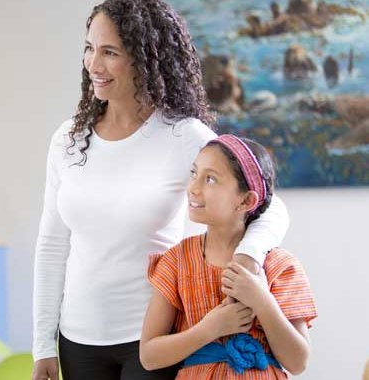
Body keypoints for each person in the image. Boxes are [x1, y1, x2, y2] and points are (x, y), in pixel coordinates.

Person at [31, 1, 290, 379]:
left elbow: (269, 205)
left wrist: (249, 255)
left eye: (109, 52)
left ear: (144, 58)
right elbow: (52, 243)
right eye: (89, 48)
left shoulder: (183, 136)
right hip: (77, 340)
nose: (93, 65)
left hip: (156, 336)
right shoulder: (68, 140)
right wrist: (42, 345)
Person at [140, 135, 317, 378]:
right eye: (194, 173)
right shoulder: (176, 261)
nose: (193, 187)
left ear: (246, 200)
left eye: (210, 179)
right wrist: (210, 329)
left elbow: (298, 362)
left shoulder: (280, 266)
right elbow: (149, 356)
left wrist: (262, 301)